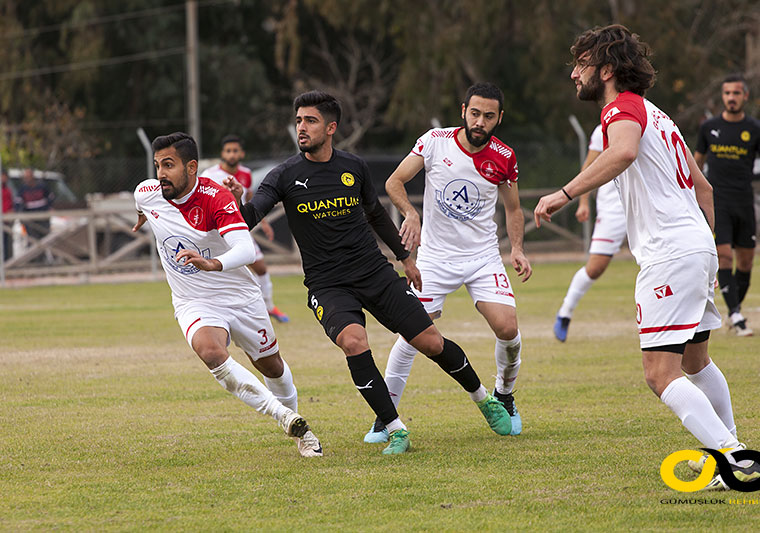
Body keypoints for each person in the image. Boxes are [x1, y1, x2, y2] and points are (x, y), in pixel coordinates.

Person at [534, 25, 760, 491]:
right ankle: (729, 448)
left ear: (608, 69)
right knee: (696, 362)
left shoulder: (622, 107)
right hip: (692, 247)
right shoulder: (659, 115)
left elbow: (622, 152)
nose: (574, 74)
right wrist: (709, 251)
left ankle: (734, 459)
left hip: (669, 254)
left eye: (581, 64)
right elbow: (705, 188)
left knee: (660, 374)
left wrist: (564, 192)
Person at [225, 90, 512, 455]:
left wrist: (406, 258)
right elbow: (248, 218)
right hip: (327, 284)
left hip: (375, 273)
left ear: (331, 128)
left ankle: (483, 398)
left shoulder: (353, 167)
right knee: (354, 342)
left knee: (432, 342)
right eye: (298, 120)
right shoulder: (284, 175)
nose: (301, 127)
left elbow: (375, 214)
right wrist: (236, 201)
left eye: (310, 121)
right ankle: (395, 429)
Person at [131, 132, 322, 458]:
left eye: (169, 165)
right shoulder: (148, 193)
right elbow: (141, 203)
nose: (161, 173)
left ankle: (298, 424)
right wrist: (141, 216)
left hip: (240, 297)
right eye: (157, 165)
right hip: (193, 301)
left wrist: (212, 263)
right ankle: (285, 417)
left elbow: (246, 249)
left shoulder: (215, 197)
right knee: (210, 351)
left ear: (191, 167)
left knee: (271, 366)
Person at [362, 82, 532, 443]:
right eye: (475, 113)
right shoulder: (435, 141)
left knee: (508, 328)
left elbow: (514, 209)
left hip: (482, 256)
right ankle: (385, 417)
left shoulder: (505, 157)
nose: (480, 121)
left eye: (488, 116)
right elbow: (395, 181)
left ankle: (505, 395)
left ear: (499, 118)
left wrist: (516, 248)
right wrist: (410, 213)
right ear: (463, 110)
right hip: (435, 259)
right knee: (411, 332)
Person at [693, 74, 760, 337]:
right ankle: (735, 315)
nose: (731, 98)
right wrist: (688, 190)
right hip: (718, 201)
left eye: (736, 93)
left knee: (745, 262)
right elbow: (696, 163)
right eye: (727, 93)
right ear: (722, 97)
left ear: (745, 96)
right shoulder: (709, 128)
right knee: (725, 257)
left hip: (744, 202)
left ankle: (735, 309)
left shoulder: (756, 129)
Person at [201, 135, 290, 323]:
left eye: (235, 150)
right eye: (228, 151)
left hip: (239, 229)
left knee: (261, 267)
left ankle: (269, 306)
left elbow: (249, 198)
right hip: (218, 232)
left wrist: (263, 222)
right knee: (224, 272)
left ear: (241, 153)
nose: (231, 154)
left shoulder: (246, 173)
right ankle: (223, 311)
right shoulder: (209, 175)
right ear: (222, 153)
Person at [553, 124, 627, 342]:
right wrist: (583, 202)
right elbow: (589, 168)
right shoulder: (602, 129)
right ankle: (565, 313)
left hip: (644, 203)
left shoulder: (650, 120)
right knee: (595, 268)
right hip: (613, 206)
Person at [15, 168, 54, 242]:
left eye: (28, 176)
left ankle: (44, 253)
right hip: (30, 219)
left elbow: (51, 197)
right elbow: (18, 202)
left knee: (46, 239)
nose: (27, 179)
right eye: (25, 177)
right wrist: (20, 213)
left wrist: (48, 207)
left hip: (43, 217)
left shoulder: (42, 186)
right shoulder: (22, 189)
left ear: (32, 176)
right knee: (33, 241)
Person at [1, 170, 13, 261]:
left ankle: (6, 262)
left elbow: (11, 204)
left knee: (6, 243)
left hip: (6, 221)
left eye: (5, 177)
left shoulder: (8, 190)